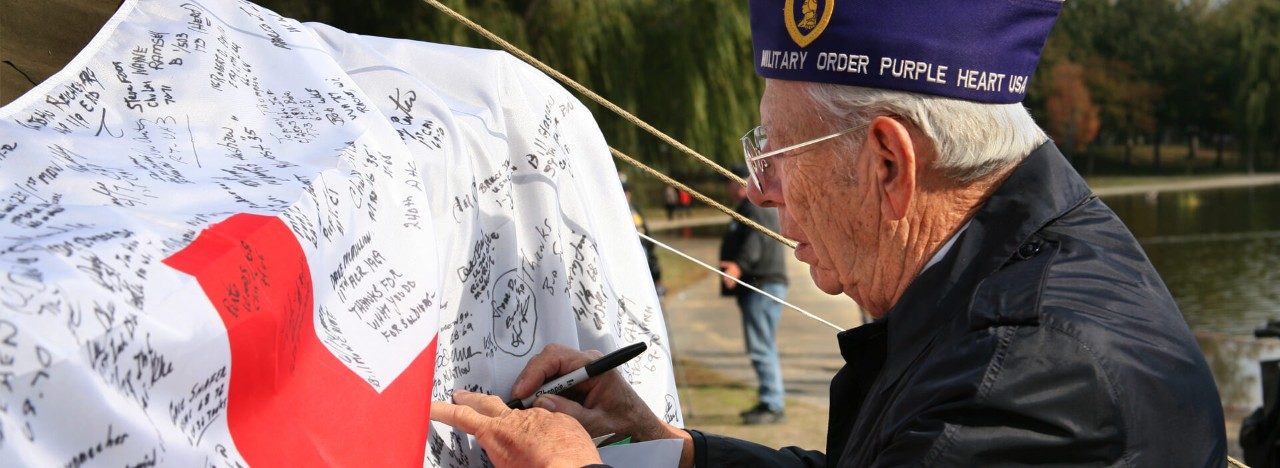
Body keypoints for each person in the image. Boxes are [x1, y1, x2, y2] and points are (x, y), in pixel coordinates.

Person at [432, 0, 1228, 466]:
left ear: (888, 163)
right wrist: (667, 447)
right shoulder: (1033, 255)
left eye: (775, 151)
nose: (760, 189)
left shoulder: (1025, 387)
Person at [718, 164, 789, 424]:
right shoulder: (752, 206)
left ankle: (772, 404)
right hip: (762, 285)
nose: (728, 188)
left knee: (761, 346)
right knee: (763, 344)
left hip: (762, 285)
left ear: (740, 183)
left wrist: (738, 266)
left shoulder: (753, 207)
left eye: (730, 182)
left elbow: (755, 241)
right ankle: (769, 400)